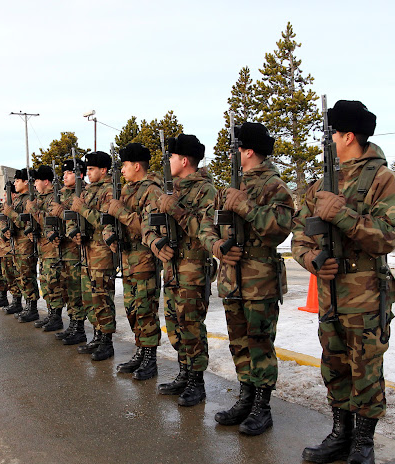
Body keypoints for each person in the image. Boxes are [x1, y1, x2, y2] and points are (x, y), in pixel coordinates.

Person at [291, 100, 395, 464]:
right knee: (334, 364)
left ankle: (363, 442)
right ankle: (341, 434)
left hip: (366, 295)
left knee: (366, 369)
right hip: (330, 294)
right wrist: (311, 262)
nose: (330, 142)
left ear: (349, 136)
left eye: (334, 134)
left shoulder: (382, 179)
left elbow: (388, 236)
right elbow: (299, 237)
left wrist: (341, 213)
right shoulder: (321, 183)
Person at [199, 122, 294, 436]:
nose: (234, 154)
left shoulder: (273, 186)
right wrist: (217, 248)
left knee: (259, 344)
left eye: (237, 148)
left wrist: (245, 205)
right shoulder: (226, 189)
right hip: (231, 279)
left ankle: (262, 407)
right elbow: (206, 227)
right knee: (238, 344)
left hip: (259, 281)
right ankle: (245, 398)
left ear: (249, 150)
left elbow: (278, 228)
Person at [151, 134, 216, 407]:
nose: (169, 162)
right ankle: (184, 372)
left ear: (185, 160)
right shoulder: (170, 190)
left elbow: (206, 232)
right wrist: (154, 243)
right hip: (172, 267)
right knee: (174, 324)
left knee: (191, 325)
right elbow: (149, 224)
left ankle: (196, 381)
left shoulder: (206, 191)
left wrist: (176, 210)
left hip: (194, 267)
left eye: (172, 157)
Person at [105, 143, 163, 379]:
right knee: (132, 309)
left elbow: (147, 227)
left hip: (145, 261)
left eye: (126, 165)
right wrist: (109, 234)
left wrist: (120, 212)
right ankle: (140, 350)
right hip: (128, 259)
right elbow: (111, 217)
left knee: (145, 308)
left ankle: (150, 358)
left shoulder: (152, 191)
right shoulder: (127, 190)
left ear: (137, 166)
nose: (122, 170)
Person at [71, 150, 116, 358]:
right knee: (89, 298)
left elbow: (105, 220)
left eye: (91, 169)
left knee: (102, 298)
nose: (87, 173)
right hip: (87, 252)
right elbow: (76, 216)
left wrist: (82, 209)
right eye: (87, 169)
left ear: (103, 170)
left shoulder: (109, 190)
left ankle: (106, 341)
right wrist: (75, 232)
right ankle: (97, 335)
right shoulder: (87, 191)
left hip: (102, 254)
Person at [49, 158, 86, 340]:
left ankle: (79, 327)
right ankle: (72, 323)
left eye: (69, 173)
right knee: (65, 289)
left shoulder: (84, 192)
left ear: (79, 174)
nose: (65, 176)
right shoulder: (60, 194)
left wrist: (62, 213)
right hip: (61, 250)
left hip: (77, 250)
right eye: (63, 173)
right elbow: (50, 219)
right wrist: (51, 234)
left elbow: (80, 218)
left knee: (76, 290)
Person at [26, 165, 63, 331]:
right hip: (43, 249)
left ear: (46, 181)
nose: (34, 184)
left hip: (52, 249)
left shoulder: (55, 197)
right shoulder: (41, 199)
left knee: (53, 283)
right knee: (46, 283)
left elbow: (48, 221)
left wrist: (34, 210)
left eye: (37, 181)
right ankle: (50, 313)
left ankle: (56, 317)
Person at [1, 170, 40, 321]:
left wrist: (11, 213)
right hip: (16, 244)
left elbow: (26, 223)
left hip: (26, 244)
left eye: (17, 181)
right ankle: (26, 304)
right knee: (20, 275)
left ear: (25, 182)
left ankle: (32, 307)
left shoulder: (29, 199)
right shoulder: (17, 200)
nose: (15, 184)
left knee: (27, 275)